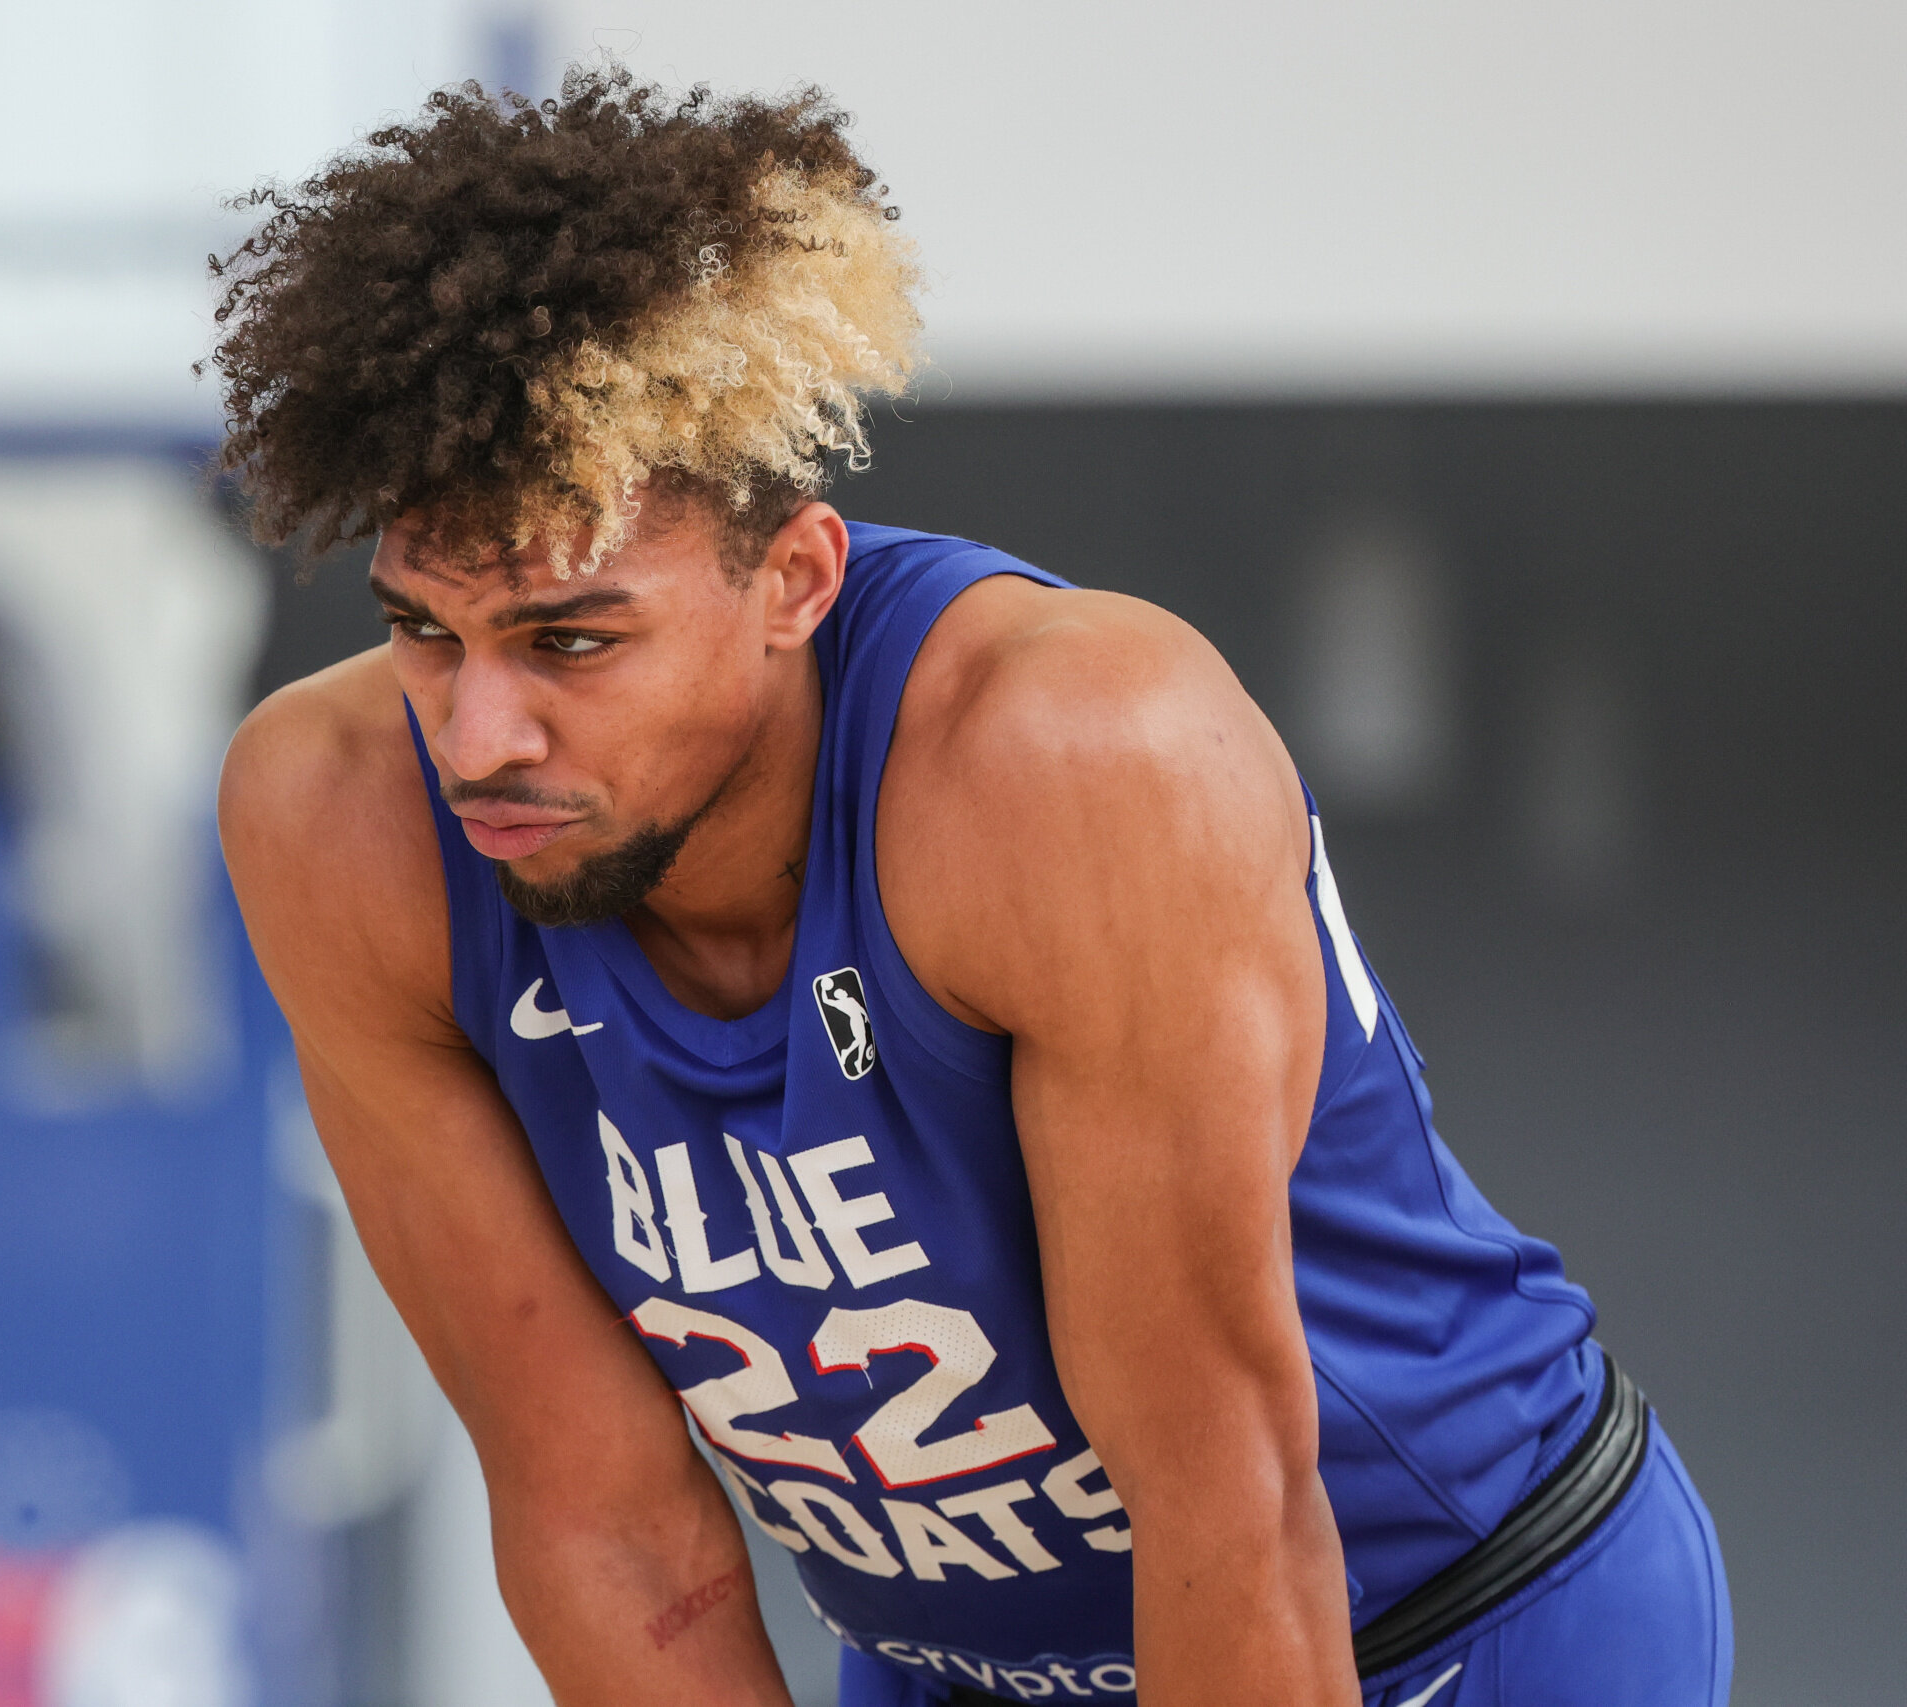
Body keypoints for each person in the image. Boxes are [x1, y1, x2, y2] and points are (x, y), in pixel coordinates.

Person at [212, 66, 1730, 1707]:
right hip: (959, 1667)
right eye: (422, 631)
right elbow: (604, 1521)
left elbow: (1226, 1497)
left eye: (571, 640)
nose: (476, 734)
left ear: (795, 580)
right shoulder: (337, 816)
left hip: (1438, 1615)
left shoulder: (1068, 756)